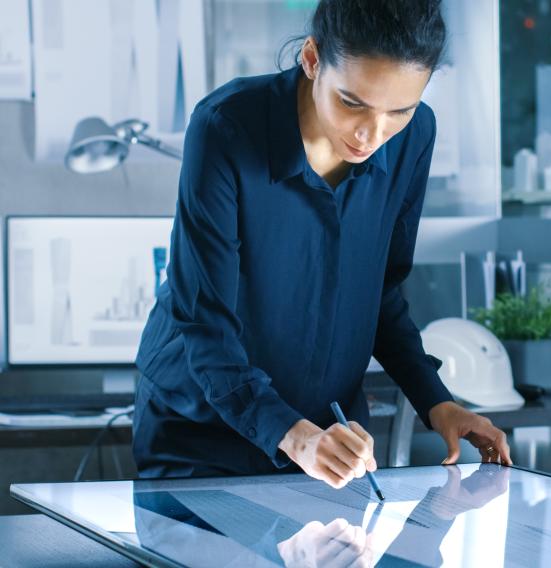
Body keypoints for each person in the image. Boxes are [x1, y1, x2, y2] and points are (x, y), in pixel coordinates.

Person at [132, 0, 512, 488]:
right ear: (312, 60)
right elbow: (204, 322)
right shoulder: (226, 127)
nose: (371, 134)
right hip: (202, 432)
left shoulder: (413, 136)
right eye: (352, 102)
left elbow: (379, 293)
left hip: (331, 436)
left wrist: (436, 401)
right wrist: (294, 436)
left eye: (399, 109)